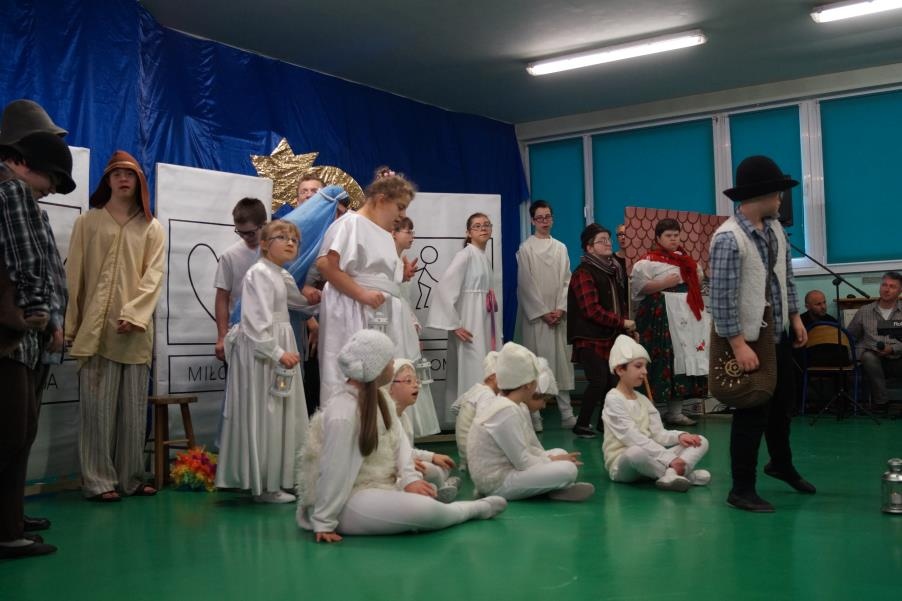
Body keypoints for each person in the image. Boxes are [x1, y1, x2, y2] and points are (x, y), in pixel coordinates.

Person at [296, 330, 507, 542]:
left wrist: (410, 479)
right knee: (424, 511)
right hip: (346, 500)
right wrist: (324, 520)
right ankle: (473, 510)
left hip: (379, 485)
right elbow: (334, 469)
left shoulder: (380, 399)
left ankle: (442, 499)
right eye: (389, 360)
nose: (392, 363)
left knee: (425, 492)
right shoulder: (343, 412)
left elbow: (399, 444)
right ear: (376, 368)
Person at [711, 155, 814, 513]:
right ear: (763, 195)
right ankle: (741, 488)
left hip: (777, 334)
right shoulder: (728, 238)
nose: (781, 200)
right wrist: (738, 344)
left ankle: (781, 464)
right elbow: (721, 299)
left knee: (783, 405)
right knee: (751, 409)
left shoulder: (775, 230)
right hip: (749, 338)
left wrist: (795, 317)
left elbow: (785, 277)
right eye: (778, 193)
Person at [65, 151, 165, 502]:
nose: (123, 179)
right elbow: (74, 275)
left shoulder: (152, 227)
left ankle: (132, 478)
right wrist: (71, 325)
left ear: (140, 181)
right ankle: (97, 480)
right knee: (96, 411)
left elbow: (154, 276)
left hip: (134, 333)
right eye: (117, 173)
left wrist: (135, 315)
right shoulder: (88, 223)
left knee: (134, 412)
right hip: (95, 331)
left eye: (130, 174)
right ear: (107, 180)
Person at [0, 108, 74, 559]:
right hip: (16, 333)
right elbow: (27, 263)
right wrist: (42, 316)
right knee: (12, 432)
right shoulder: (12, 192)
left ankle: (11, 519)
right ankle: (6, 529)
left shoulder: (23, 197)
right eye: (51, 177)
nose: (51, 188)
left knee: (20, 432)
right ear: (22, 158)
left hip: (27, 336)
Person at [216, 220, 309, 503]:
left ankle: (281, 477)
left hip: (278, 343)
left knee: (281, 411)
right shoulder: (258, 273)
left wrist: (326, 295)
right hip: (263, 351)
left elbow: (301, 303)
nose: (290, 242)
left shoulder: (281, 274)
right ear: (265, 244)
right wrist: (277, 352)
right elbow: (255, 323)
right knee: (267, 411)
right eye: (282, 237)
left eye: (294, 239)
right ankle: (265, 484)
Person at [315, 170, 416, 403]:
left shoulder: (383, 233)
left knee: (383, 375)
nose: (402, 215)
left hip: (378, 310)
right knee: (353, 373)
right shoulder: (351, 223)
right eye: (400, 207)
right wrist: (362, 294)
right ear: (381, 199)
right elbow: (326, 264)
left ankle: (379, 421)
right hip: (353, 307)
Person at [466, 342, 595, 502]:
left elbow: (527, 448)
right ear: (528, 384)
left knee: (560, 452)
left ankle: (553, 488)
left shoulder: (510, 405)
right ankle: (554, 487)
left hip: (507, 471)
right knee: (568, 469)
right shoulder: (506, 411)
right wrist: (552, 461)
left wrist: (554, 458)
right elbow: (523, 462)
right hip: (497, 483)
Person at [602, 335, 710, 492]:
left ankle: (671, 474)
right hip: (624, 464)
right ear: (620, 369)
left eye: (645, 367)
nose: (644, 372)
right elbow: (632, 437)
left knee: (700, 441)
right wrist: (670, 459)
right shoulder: (613, 399)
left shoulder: (642, 399)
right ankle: (683, 474)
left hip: (651, 460)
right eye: (638, 366)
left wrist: (680, 436)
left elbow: (658, 434)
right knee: (635, 452)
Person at [630, 218, 708, 427]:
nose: (673, 239)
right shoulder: (647, 262)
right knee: (661, 360)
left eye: (676, 235)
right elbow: (638, 290)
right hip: (660, 317)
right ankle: (651, 414)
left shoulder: (687, 261)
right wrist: (663, 283)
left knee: (680, 361)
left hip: (685, 316)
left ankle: (675, 412)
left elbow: (698, 282)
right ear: (658, 238)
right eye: (668, 236)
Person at [427, 213, 498, 415]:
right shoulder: (465, 255)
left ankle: (482, 414)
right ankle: (470, 415)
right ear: (468, 232)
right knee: (472, 366)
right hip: (470, 323)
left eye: (486, 225)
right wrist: (454, 324)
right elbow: (444, 288)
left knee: (483, 365)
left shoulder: (483, 257)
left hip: (484, 322)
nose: (483, 228)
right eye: (477, 226)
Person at [567, 224, 634, 439]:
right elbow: (591, 310)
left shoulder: (613, 271)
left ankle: (605, 424)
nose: (607, 243)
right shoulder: (583, 273)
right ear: (589, 248)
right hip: (589, 336)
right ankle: (581, 424)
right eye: (601, 241)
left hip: (610, 335)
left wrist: (626, 327)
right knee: (598, 381)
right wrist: (622, 322)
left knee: (612, 382)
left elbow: (619, 303)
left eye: (608, 239)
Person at [516, 200, 576, 430]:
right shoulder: (526, 249)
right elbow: (525, 284)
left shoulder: (560, 248)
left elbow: (567, 280)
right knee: (537, 365)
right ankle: (535, 417)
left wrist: (560, 308)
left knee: (561, 365)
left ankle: (567, 413)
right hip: (537, 320)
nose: (544, 221)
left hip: (558, 317)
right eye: (540, 217)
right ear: (532, 220)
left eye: (548, 217)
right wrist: (542, 312)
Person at [384, 359, 460, 502]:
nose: (416, 385)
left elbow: (405, 450)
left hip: (402, 468)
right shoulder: (384, 419)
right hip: (386, 473)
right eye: (408, 381)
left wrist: (432, 456)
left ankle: (435, 487)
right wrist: (404, 465)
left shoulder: (403, 417)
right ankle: (436, 488)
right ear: (389, 387)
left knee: (440, 466)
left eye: (416, 381)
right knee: (429, 470)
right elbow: (380, 457)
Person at [391, 216, 440, 437]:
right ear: (393, 233)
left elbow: (406, 300)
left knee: (408, 366)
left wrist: (413, 325)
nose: (412, 236)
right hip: (393, 322)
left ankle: (407, 431)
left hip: (403, 321)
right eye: (407, 232)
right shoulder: (388, 260)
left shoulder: (402, 260)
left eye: (412, 231)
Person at [214, 198, 266, 362]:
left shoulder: (276, 251)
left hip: (269, 332)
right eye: (240, 232)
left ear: (263, 225)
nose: (245, 237)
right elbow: (222, 297)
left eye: (250, 233)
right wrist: (222, 336)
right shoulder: (229, 256)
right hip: (239, 332)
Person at [846, 271, 902, 415]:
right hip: (873, 359)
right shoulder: (864, 311)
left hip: (898, 357)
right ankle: (882, 403)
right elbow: (850, 336)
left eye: (892, 286)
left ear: (900, 291)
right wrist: (862, 349)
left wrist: (893, 349)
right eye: (884, 285)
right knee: (868, 357)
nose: (887, 289)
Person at [451, 351, 499, 472]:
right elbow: (484, 425)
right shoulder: (487, 395)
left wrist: (464, 418)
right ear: (493, 376)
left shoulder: (474, 389)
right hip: (476, 456)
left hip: (463, 453)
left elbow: (454, 408)